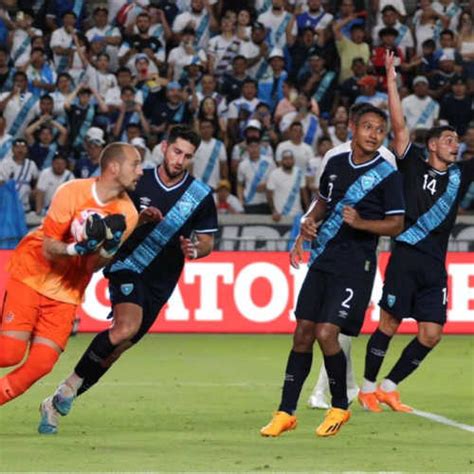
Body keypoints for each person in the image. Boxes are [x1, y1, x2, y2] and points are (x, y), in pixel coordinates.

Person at [39, 125, 218, 434]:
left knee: (116, 350)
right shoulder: (137, 180)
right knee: (125, 327)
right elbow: (111, 221)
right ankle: (68, 389)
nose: (180, 160)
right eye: (177, 152)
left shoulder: (200, 196)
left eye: (188, 156)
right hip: (128, 264)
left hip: (162, 280)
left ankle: (55, 402)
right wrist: (138, 221)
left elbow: (207, 241)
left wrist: (195, 248)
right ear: (164, 147)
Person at [260, 102, 405, 438]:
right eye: (368, 127)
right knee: (302, 333)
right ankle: (285, 411)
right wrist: (308, 224)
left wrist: (363, 222)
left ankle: (340, 406)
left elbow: (397, 224)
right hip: (324, 257)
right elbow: (323, 201)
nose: (374, 135)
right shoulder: (336, 162)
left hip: (357, 262)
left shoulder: (388, 173)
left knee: (327, 333)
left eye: (380, 130)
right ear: (352, 127)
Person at [358, 51, 474, 413]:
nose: (456, 145)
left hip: (436, 265)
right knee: (389, 323)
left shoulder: (460, 175)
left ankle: (389, 387)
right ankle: (365, 389)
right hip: (405, 258)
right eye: (450, 140)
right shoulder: (411, 165)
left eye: (458, 140)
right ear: (434, 145)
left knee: (432, 334)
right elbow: (398, 124)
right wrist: (391, 80)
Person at [0, 143, 142, 410]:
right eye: (135, 164)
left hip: (66, 292)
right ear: (113, 167)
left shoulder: (128, 214)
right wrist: (76, 247)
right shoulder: (73, 191)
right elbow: (48, 247)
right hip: (32, 273)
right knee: (8, 353)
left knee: (42, 364)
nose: (140, 171)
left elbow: (93, 266)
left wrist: (107, 250)